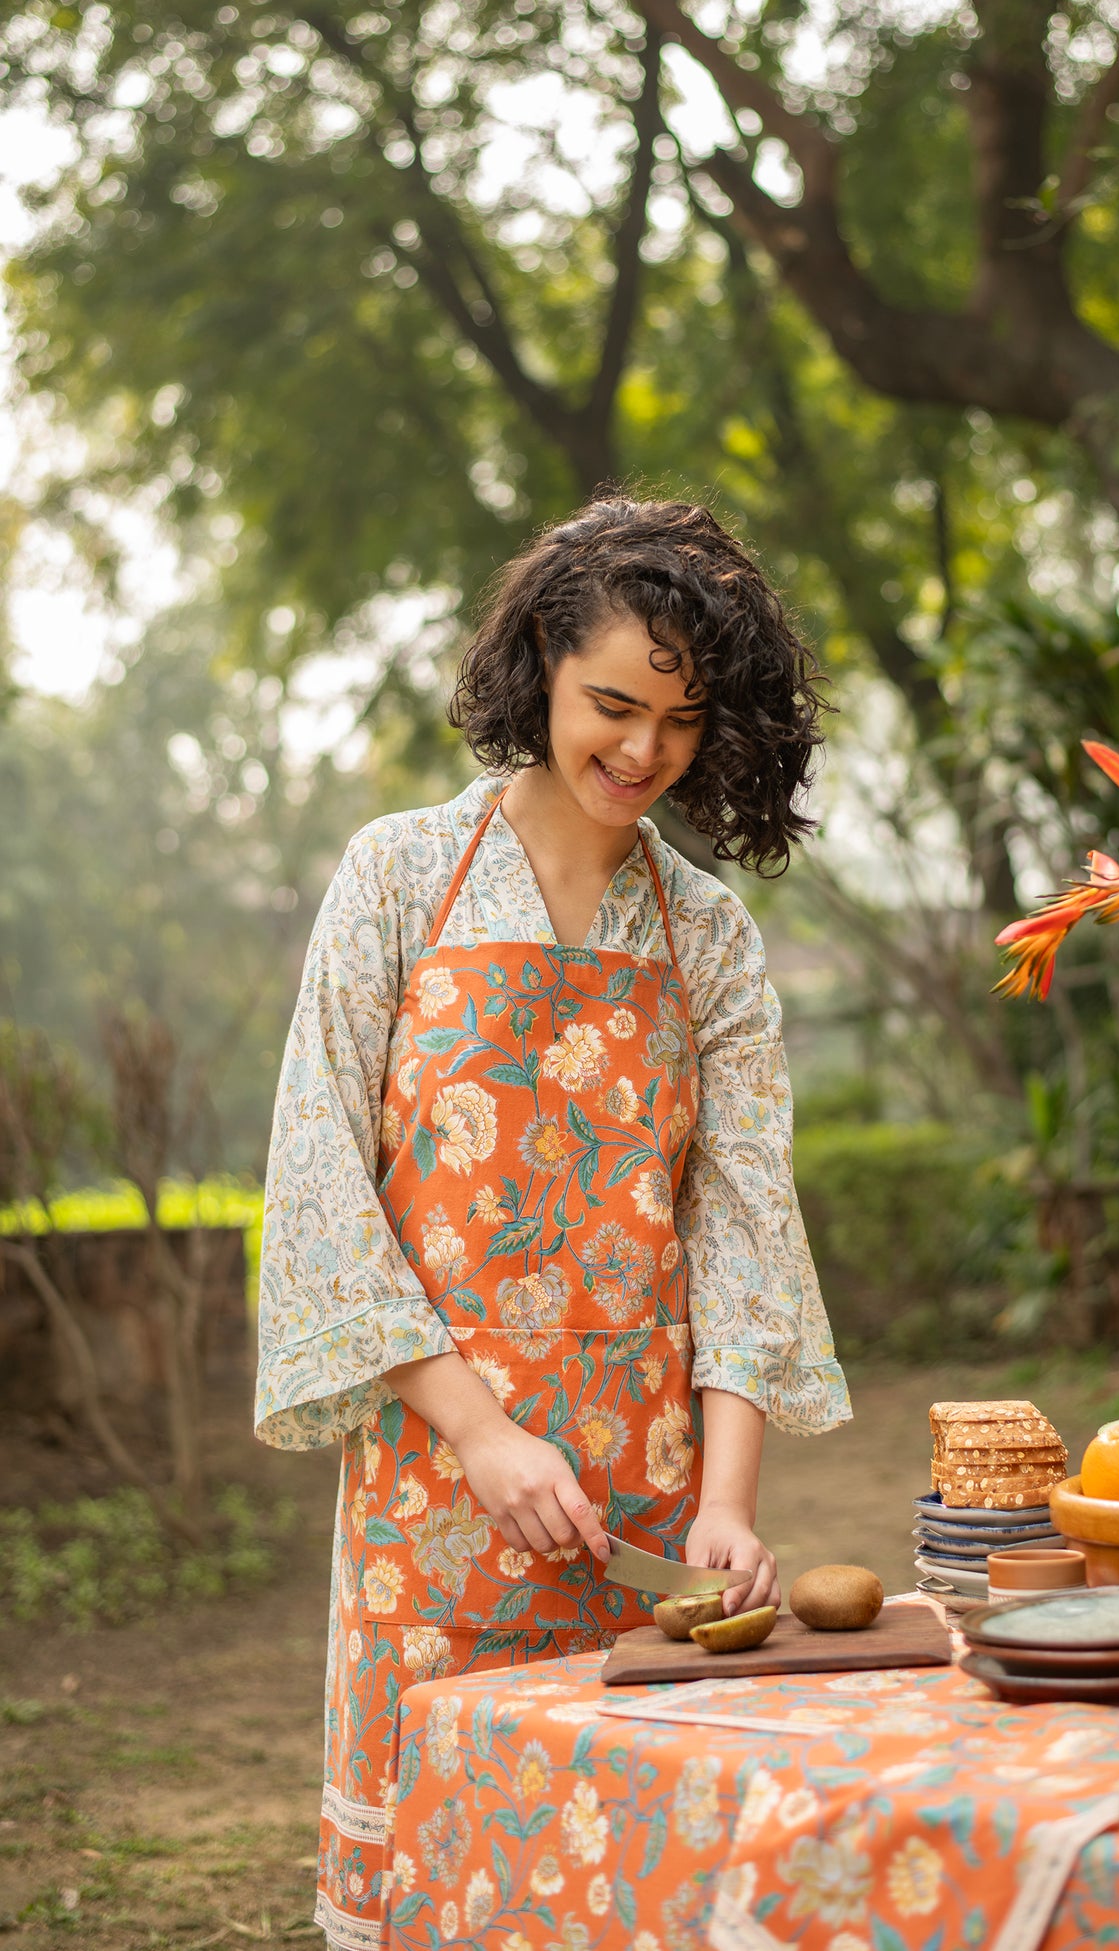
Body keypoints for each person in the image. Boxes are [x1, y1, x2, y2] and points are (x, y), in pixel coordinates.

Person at [253, 497, 852, 1951]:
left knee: (623, 1867)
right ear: (538, 663)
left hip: (646, 1481)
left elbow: (743, 1222)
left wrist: (722, 1503)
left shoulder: (707, 932)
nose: (641, 752)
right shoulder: (398, 877)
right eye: (611, 706)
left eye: (681, 722)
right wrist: (476, 1432)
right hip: (438, 1475)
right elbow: (322, 1177)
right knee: (443, 1861)